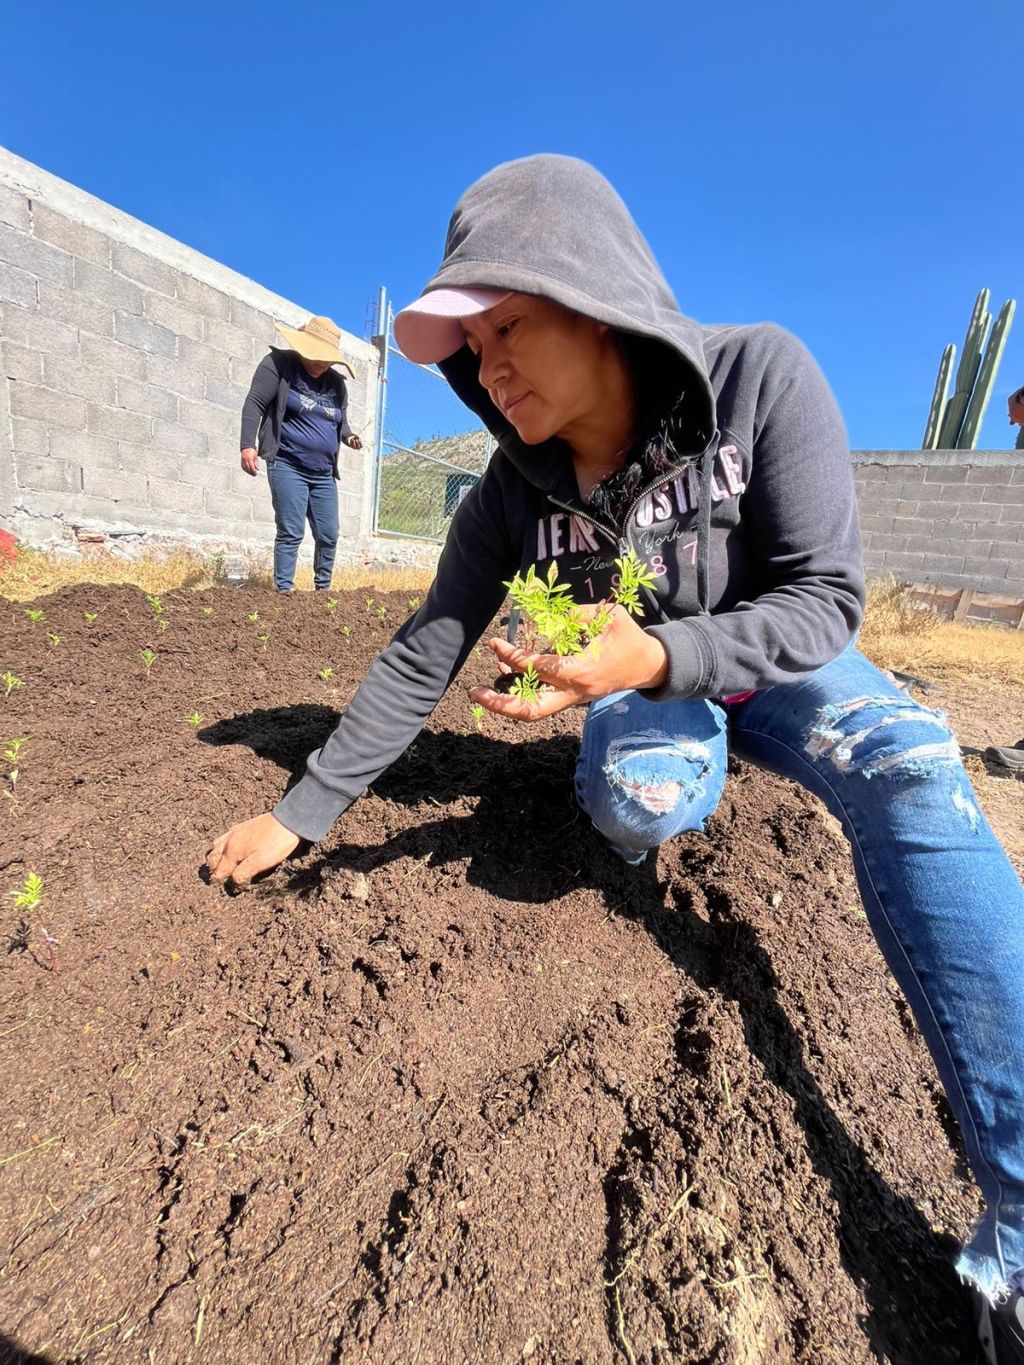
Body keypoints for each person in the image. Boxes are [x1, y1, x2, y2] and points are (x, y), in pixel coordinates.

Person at [209, 154, 1024, 1361]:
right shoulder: (510, 492)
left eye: (506, 325)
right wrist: (307, 808)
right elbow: (425, 647)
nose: (486, 366)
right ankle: (673, 769)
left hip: (778, 669)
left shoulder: (758, 378)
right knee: (643, 798)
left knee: (908, 758)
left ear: (593, 300)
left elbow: (825, 604)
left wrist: (653, 659)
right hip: (639, 685)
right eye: (469, 347)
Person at [240, 315, 363, 592]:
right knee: (291, 531)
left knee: (329, 534)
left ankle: (323, 594)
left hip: (323, 473)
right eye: (317, 356)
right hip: (287, 464)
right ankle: (284, 592)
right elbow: (255, 403)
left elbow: (340, 422)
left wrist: (349, 437)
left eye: (328, 359)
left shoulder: (336, 383)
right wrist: (247, 444)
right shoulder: (279, 365)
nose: (322, 364)